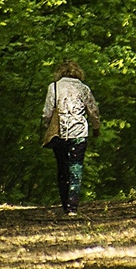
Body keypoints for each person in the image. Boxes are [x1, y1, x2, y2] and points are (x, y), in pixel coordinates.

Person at [41, 60, 101, 216]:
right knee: (76, 168)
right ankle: (72, 207)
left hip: (59, 132)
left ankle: (64, 204)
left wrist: (46, 126)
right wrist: (96, 127)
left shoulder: (53, 87)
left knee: (62, 168)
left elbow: (47, 112)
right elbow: (93, 110)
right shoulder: (83, 88)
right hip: (79, 132)